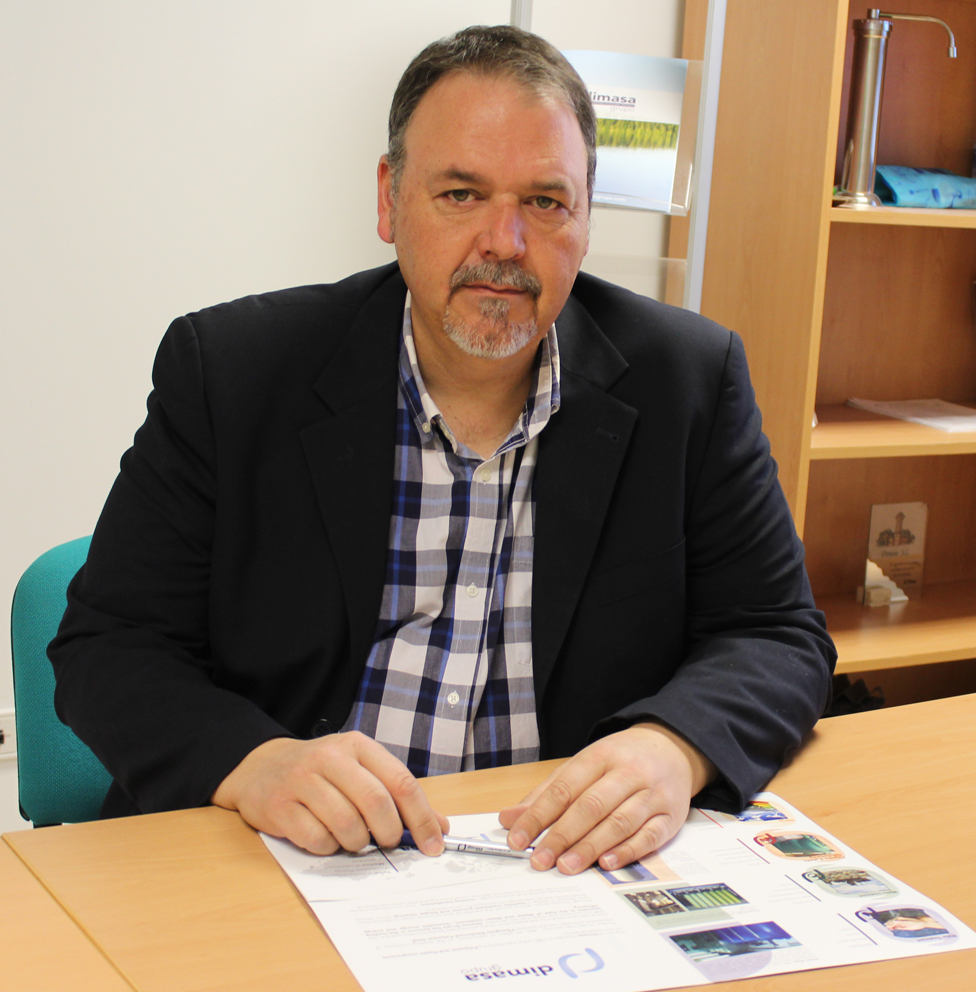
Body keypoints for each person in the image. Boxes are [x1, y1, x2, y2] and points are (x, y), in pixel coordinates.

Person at [49, 25, 835, 877]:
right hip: (287, 860)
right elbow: (109, 645)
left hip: (553, 872)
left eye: (546, 201)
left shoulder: (689, 380)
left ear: (584, 218)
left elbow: (777, 635)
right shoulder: (233, 372)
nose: (506, 242)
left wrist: (674, 747)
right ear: (390, 201)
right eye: (462, 194)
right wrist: (254, 763)